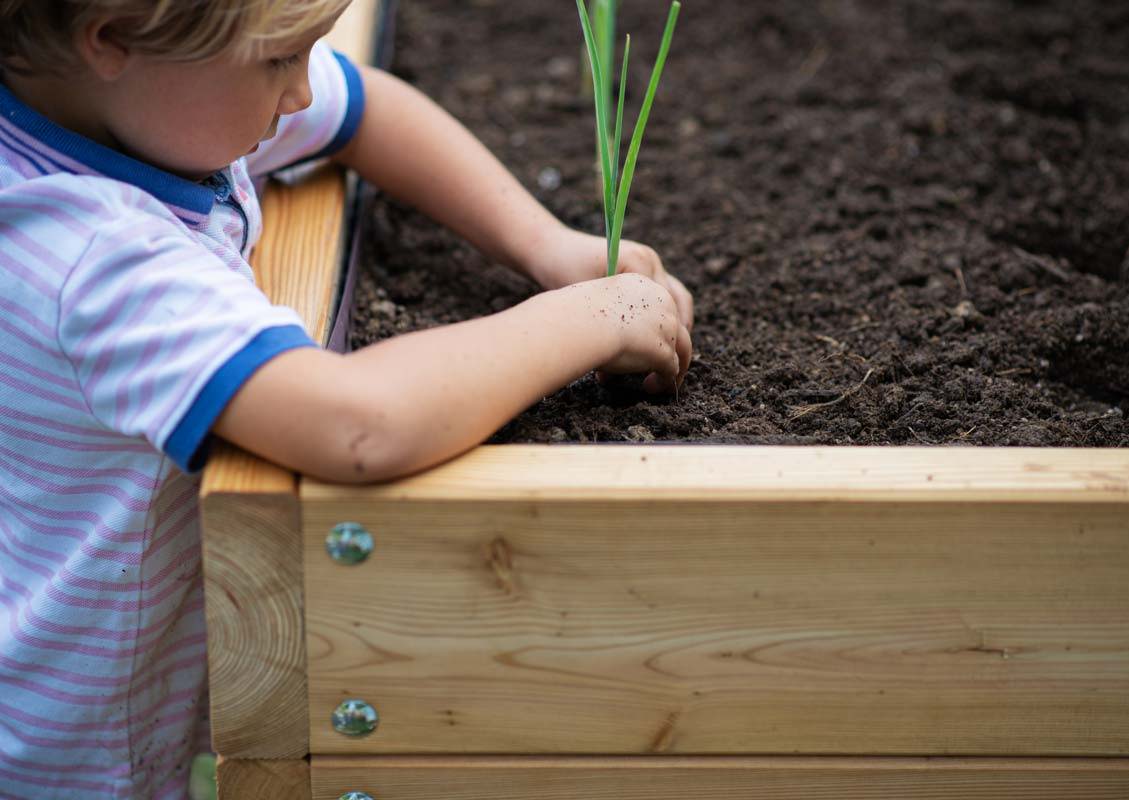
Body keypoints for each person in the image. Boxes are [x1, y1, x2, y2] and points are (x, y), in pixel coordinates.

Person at [0, 0, 694, 796]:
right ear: (112, 39)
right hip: (76, 759)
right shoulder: (89, 259)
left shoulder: (126, 106)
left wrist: (547, 246)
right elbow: (361, 424)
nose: (301, 91)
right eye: (277, 61)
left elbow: (364, 108)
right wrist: (588, 319)